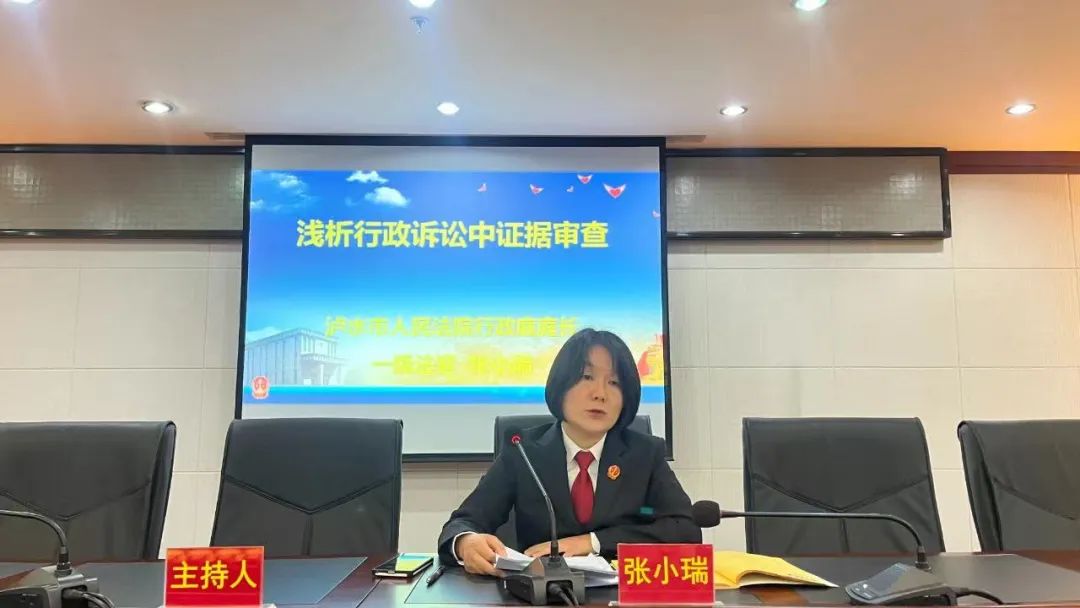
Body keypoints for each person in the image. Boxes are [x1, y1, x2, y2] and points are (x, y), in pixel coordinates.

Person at [437, 328, 701, 576]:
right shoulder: (524, 451)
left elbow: (686, 530)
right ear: (561, 385)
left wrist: (592, 542)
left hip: (619, 595)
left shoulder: (645, 454)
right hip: (541, 594)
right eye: (587, 377)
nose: (600, 394)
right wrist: (466, 542)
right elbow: (463, 523)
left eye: (614, 382)